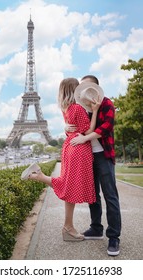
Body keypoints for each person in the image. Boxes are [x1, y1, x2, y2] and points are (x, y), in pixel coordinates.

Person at [21, 77, 102, 242]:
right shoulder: (78, 109)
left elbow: (71, 129)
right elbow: (89, 131)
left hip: (69, 147)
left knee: (69, 185)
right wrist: (94, 112)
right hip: (79, 149)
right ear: (74, 90)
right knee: (70, 186)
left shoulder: (66, 108)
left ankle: (68, 227)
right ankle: (38, 177)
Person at [68, 75, 122, 256]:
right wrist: (67, 129)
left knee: (110, 195)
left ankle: (114, 237)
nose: (83, 90)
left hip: (104, 156)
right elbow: (76, 126)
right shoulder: (81, 107)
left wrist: (85, 138)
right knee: (93, 195)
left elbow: (106, 127)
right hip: (87, 157)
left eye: (86, 86)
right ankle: (96, 228)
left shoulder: (107, 104)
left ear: (96, 87)